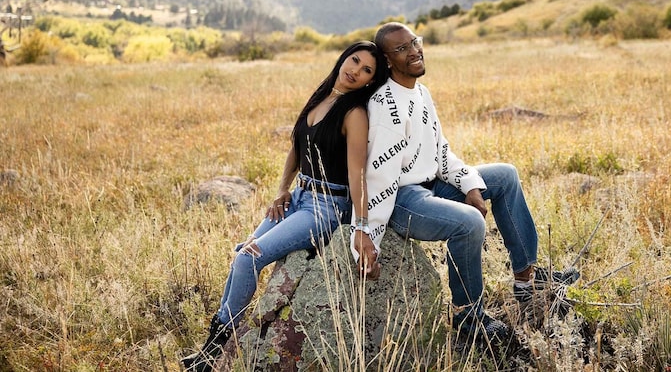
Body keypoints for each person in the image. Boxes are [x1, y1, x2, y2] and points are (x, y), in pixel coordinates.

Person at [357, 22, 579, 348]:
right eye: (402, 48)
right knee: (469, 222)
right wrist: (367, 236)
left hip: (431, 185)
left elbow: (442, 152)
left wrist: (471, 184)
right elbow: (378, 179)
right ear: (388, 60)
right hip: (402, 200)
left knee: (505, 175)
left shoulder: (421, 93)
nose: (414, 51)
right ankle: (468, 318)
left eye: (414, 43)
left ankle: (525, 279)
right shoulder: (384, 106)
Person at [183, 41, 389, 372]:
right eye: (354, 61)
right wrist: (282, 190)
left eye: (367, 70)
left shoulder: (354, 113)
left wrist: (362, 227)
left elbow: (357, 175)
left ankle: (216, 352)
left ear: (369, 82)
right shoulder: (321, 97)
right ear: (343, 59)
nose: (356, 71)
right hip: (298, 197)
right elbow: (297, 147)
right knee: (242, 255)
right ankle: (211, 351)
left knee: (249, 259)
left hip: (326, 207)